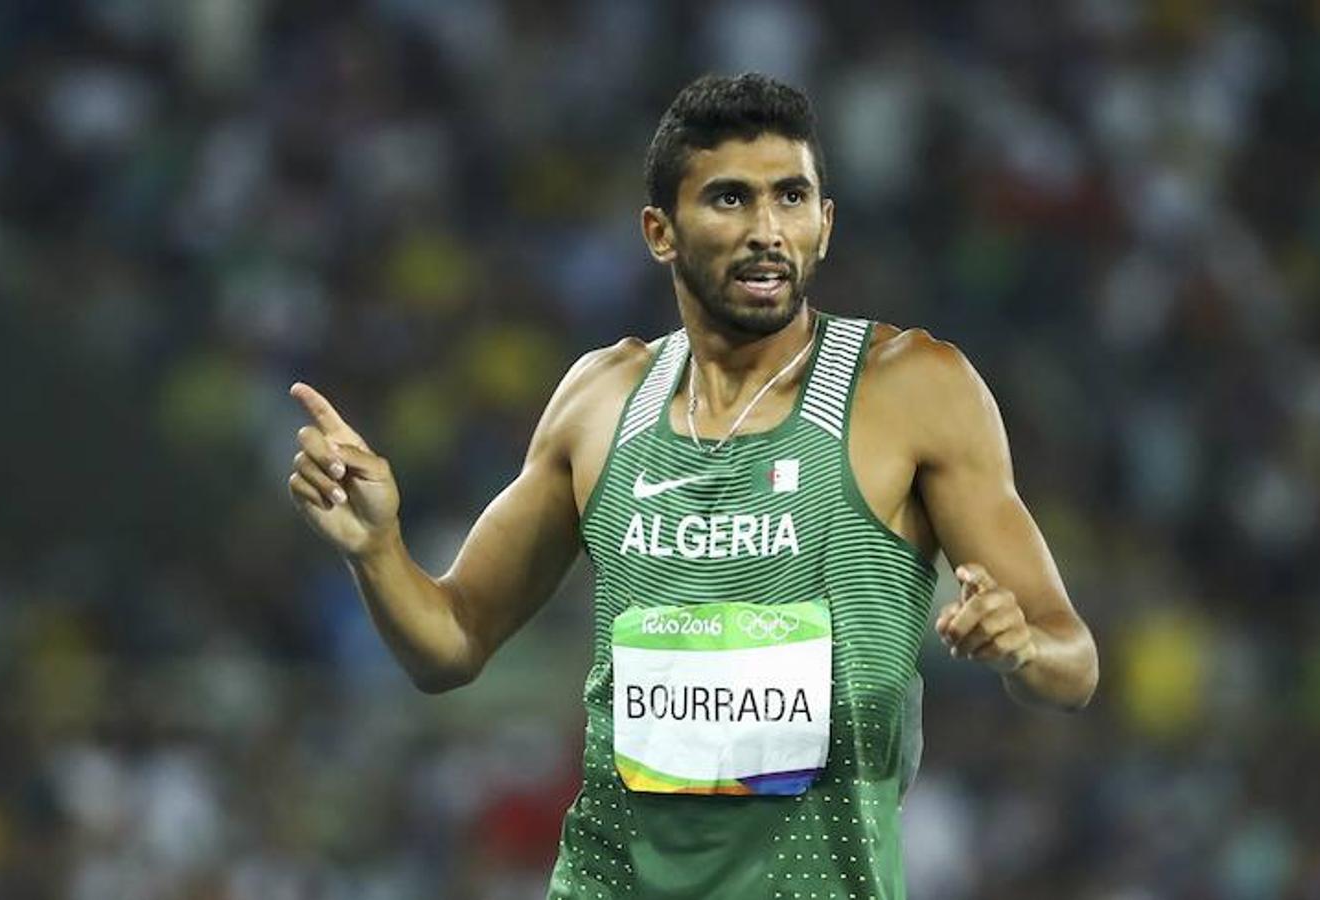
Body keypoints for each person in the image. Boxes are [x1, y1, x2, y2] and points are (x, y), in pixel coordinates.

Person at [287, 73, 1097, 900]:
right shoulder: (602, 402)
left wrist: (1023, 647)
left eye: (790, 198)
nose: (766, 230)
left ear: (826, 222)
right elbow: (451, 643)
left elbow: (1075, 662)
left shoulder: (912, 391)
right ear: (660, 231)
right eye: (730, 200)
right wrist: (377, 550)